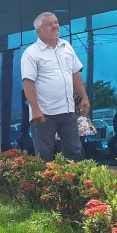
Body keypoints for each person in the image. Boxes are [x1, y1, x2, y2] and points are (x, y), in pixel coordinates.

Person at [21, 12, 91, 162]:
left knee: (75, 152)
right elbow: (28, 83)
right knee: (45, 155)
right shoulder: (31, 53)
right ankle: (46, 185)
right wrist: (35, 109)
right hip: (44, 113)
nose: (55, 26)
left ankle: (77, 183)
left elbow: (75, 74)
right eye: (49, 24)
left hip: (67, 110)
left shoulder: (66, 47)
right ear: (39, 31)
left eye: (56, 22)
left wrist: (84, 97)